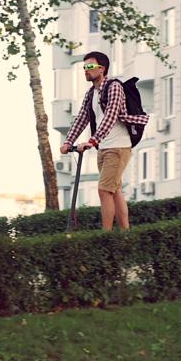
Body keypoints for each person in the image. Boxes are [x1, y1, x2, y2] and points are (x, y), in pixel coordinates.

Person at [60, 51, 149, 230]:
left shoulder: (114, 86)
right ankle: (126, 234)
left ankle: (105, 236)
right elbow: (82, 118)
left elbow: (111, 116)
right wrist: (68, 141)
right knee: (114, 191)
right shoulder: (91, 93)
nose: (86, 70)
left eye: (90, 66)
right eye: (84, 67)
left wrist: (92, 141)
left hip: (118, 147)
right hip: (104, 147)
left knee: (104, 190)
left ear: (102, 69)